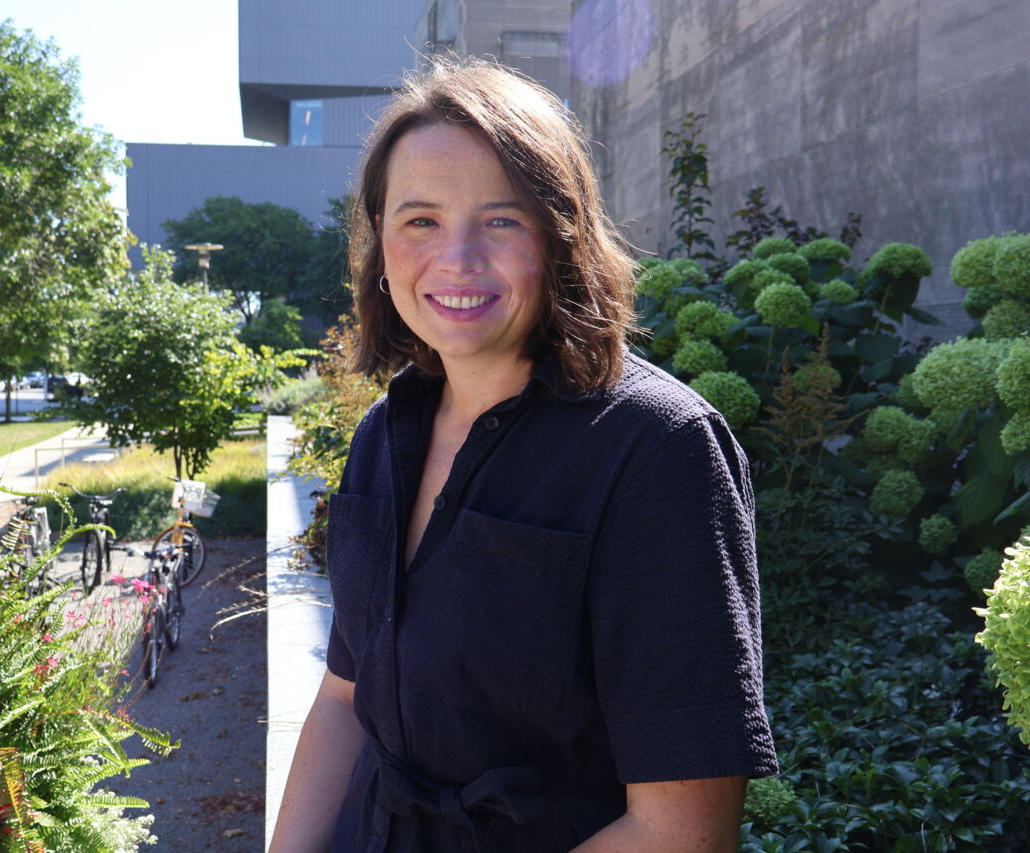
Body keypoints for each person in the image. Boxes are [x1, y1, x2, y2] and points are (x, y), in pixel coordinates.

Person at [270, 57, 777, 853]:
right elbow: (344, 697)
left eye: (502, 220)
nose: (458, 258)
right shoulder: (382, 436)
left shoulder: (657, 451)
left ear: (561, 237)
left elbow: (682, 829)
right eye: (420, 220)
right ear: (381, 243)